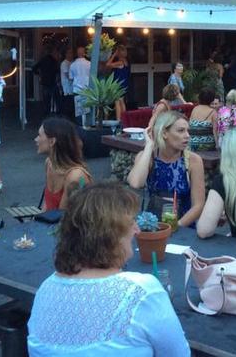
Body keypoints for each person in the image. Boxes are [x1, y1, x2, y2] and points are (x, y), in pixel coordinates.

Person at [27, 182, 190, 356]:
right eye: (131, 222)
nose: (137, 229)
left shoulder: (45, 290)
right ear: (110, 235)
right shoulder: (140, 292)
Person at [128, 111, 206, 227]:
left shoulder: (193, 160)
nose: (187, 135)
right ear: (164, 133)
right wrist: (149, 146)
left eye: (187, 131)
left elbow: (198, 205)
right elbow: (135, 183)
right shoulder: (148, 157)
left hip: (183, 226)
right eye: (181, 131)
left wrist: (176, 226)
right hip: (152, 225)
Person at [35, 117, 92, 211]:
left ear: (52, 141)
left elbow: (63, 215)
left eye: (39, 136)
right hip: (51, 222)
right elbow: (47, 203)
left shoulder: (77, 176)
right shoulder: (49, 163)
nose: (36, 139)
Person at [106, 45, 131, 120]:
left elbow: (108, 65)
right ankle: (124, 119)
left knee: (117, 102)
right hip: (124, 84)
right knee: (122, 102)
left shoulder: (120, 62)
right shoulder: (126, 61)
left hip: (118, 85)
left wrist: (113, 55)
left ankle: (118, 120)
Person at [33, 47, 61, 117]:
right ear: (53, 53)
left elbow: (34, 68)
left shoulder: (43, 60)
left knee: (46, 99)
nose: (57, 55)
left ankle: (46, 113)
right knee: (56, 97)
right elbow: (57, 71)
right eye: (56, 54)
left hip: (45, 82)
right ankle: (57, 112)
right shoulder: (54, 61)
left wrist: (39, 74)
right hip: (52, 82)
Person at [69, 46, 91, 125]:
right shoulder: (89, 64)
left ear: (77, 54)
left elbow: (71, 78)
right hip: (87, 89)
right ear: (84, 53)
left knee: (79, 111)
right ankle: (88, 125)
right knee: (87, 109)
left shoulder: (73, 65)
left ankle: (80, 127)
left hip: (77, 89)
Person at [59, 48, 75, 119]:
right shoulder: (64, 64)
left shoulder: (72, 63)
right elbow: (68, 76)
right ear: (65, 54)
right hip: (67, 88)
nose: (70, 55)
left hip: (73, 88)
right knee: (68, 104)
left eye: (71, 53)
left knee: (72, 104)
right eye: (69, 53)